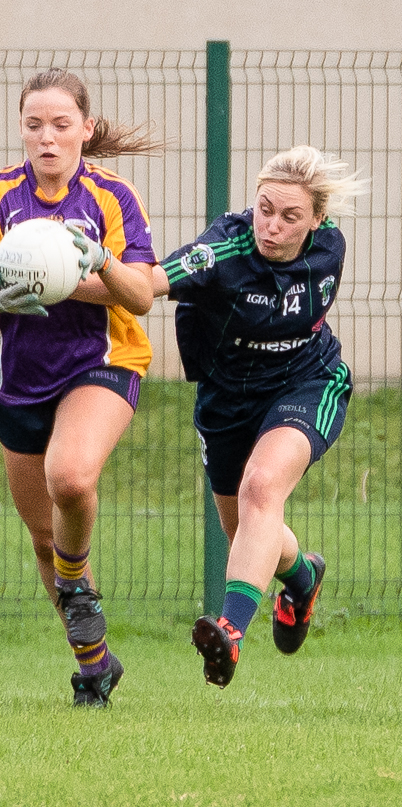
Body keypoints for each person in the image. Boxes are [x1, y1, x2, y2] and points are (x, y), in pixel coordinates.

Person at [0, 68, 160, 707]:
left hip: (104, 362)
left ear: (85, 130)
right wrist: (0, 294)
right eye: (34, 125)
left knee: (70, 478)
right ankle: (93, 666)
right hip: (18, 382)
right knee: (44, 537)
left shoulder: (113, 197)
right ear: (21, 129)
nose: (47, 137)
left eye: (62, 125)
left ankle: (76, 583)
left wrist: (90, 267)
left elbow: (142, 295)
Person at [153, 145, 368, 689]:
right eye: (263, 208)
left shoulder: (330, 247)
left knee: (262, 488)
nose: (270, 226)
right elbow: (147, 284)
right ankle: (302, 577)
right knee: (248, 530)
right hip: (226, 401)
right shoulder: (222, 249)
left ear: (319, 219)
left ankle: (230, 632)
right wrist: (71, 275)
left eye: (290, 216)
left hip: (307, 383)